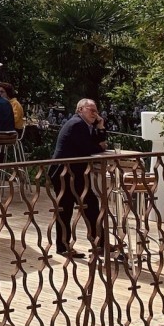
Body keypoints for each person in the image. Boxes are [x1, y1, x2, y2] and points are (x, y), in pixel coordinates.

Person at [50, 98, 110, 258]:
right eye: (91, 109)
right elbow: (89, 148)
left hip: (72, 172)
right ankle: (97, 243)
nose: (94, 113)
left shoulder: (83, 125)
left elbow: (95, 142)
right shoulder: (77, 124)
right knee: (76, 207)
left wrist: (101, 126)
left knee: (81, 206)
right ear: (80, 110)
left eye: (96, 110)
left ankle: (96, 243)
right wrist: (99, 146)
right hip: (66, 172)